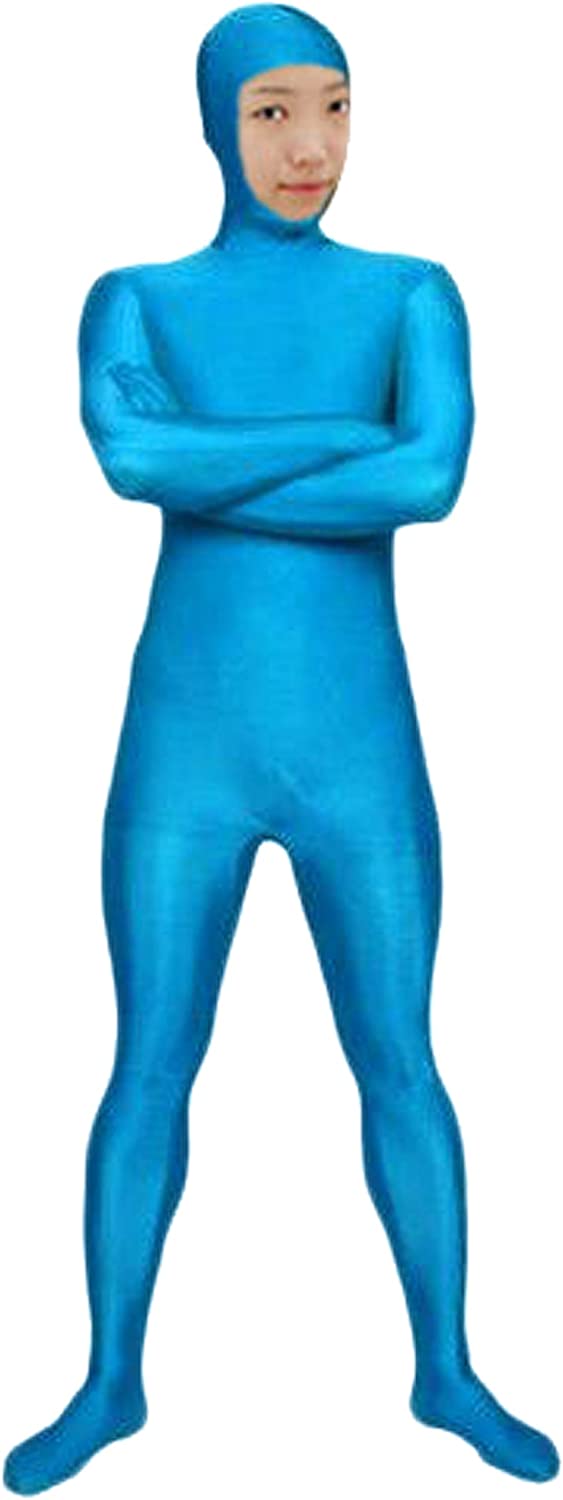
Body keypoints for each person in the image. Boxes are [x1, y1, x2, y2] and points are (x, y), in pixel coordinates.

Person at [3, 4, 559, 1491]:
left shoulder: (415, 293)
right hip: (183, 752)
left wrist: (217, 454)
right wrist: (343, 434)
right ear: (212, 123)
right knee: (146, 1063)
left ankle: (445, 1371)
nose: (309, 146)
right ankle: (111, 1381)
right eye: (269, 113)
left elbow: (429, 480)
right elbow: (131, 459)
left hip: (358, 749)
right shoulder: (133, 298)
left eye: (334, 106)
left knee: (402, 1061)